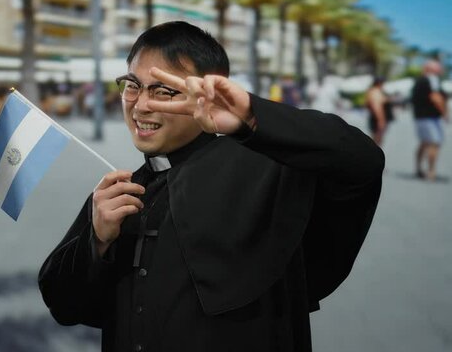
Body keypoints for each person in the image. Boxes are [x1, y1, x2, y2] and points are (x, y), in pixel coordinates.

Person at [38, 21, 384, 352]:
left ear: (210, 92)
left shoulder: (268, 168)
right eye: (132, 86)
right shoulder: (118, 195)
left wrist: (251, 116)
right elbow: (63, 305)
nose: (141, 105)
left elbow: (361, 161)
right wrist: (97, 240)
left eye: (164, 91)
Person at [411, 60, 448, 181]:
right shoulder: (432, 79)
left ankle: (418, 168)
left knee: (424, 142)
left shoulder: (419, 80)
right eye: (439, 68)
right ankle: (431, 171)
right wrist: (445, 113)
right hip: (430, 118)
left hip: (420, 117)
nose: (441, 71)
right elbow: (436, 98)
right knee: (434, 143)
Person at [365, 76, 394, 146]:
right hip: (377, 119)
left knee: (377, 141)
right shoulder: (375, 92)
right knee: (376, 142)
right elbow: (377, 107)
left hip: (377, 119)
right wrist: (381, 120)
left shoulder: (374, 91)